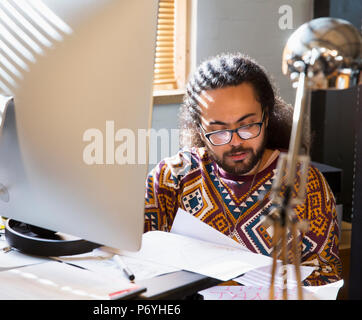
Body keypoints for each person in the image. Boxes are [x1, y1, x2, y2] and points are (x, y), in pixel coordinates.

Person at [144, 53, 342, 286]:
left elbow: (326, 275)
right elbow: (138, 259)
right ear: (199, 128)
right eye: (218, 130)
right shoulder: (172, 177)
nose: (235, 141)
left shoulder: (304, 184)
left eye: (247, 125)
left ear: (266, 117)